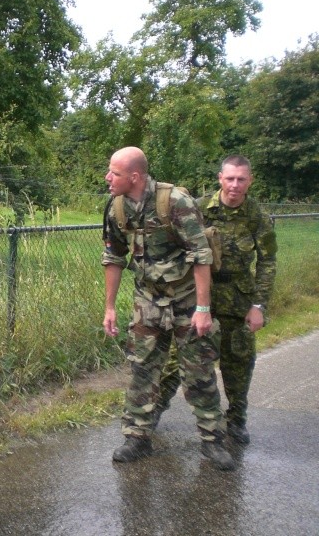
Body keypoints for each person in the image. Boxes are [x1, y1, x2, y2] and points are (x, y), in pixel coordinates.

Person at [101, 146, 235, 471]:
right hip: (148, 299)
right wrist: (109, 308)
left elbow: (201, 254)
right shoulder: (117, 208)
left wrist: (203, 308)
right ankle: (137, 437)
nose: (107, 178)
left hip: (187, 299)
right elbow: (114, 257)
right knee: (142, 369)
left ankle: (213, 441)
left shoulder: (175, 202)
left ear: (135, 176)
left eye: (114, 173)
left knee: (198, 373)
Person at [154, 155, 277, 444]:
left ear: (250, 181)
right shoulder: (198, 209)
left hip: (238, 302)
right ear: (220, 178)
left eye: (241, 179)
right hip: (197, 301)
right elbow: (175, 249)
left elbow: (268, 262)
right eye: (230, 178)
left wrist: (258, 306)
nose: (235, 185)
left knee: (238, 362)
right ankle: (149, 415)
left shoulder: (257, 216)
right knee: (177, 362)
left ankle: (236, 420)